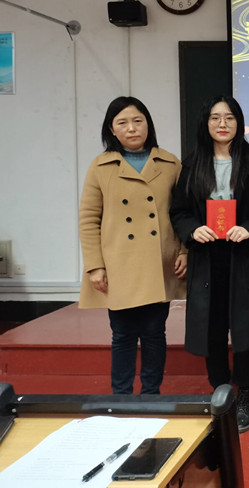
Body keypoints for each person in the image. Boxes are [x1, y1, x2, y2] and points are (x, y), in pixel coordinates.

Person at [169, 95, 249, 433]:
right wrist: (193, 230)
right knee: (212, 327)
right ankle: (220, 389)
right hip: (207, 258)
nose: (222, 124)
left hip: (243, 255)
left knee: (245, 327)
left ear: (239, 123)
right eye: (215, 118)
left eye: (229, 117)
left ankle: (245, 393)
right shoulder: (193, 164)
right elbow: (179, 211)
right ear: (205, 123)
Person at [79, 96, 186, 395]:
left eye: (138, 121)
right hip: (119, 263)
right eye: (123, 123)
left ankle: (151, 394)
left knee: (154, 332)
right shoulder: (100, 166)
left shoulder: (170, 163)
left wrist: (185, 250)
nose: (132, 128)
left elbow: (183, 212)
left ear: (148, 124)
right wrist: (95, 265)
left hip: (160, 261)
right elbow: (88, 218)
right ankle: (121, 396)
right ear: (111, 130)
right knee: (123, 334)